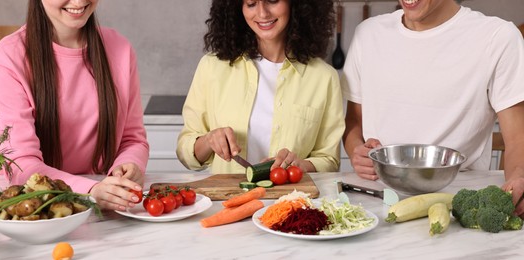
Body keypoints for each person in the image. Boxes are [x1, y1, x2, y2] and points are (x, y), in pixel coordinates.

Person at [341, 0, 524, 216]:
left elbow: (518, 139)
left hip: (460, 205)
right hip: (376, 201)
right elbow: (353, 123)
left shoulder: (498, 38)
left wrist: (518, 178)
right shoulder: (368, 34)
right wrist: (356, 150)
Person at [0, 0, 149, 211]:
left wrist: (130, 165)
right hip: (37, 208)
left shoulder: (120, 48)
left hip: (108, 206)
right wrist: (91, 190)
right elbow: (19, 163)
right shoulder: (8, 56)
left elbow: (132, 139)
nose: (79, 1)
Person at [177, 0, 345, 174]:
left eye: (272, 1)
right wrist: (208, 140)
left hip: (293, 200)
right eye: (251, 3)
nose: (263, 13)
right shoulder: (211, 67)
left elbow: (329, 160)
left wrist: (302, 165)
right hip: (228, 200)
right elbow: (186, 153)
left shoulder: (324, 77)